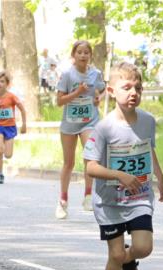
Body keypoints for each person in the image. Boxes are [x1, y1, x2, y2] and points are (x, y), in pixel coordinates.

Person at [82, 61, 163, 270]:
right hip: (110, 202)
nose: (133, 92)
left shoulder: (148, 121)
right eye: (127, 87)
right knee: (116, 255)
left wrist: (161, 180)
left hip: (139, 197)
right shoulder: (103, 128)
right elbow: (91, 167)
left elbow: (148, 149)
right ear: (111, 91)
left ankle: (130, 263)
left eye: (138, 88)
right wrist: (119, 175)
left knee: (143, 247)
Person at [55, 40, 105, 219]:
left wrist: (98, 97)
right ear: (73, 56)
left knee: (90, 156)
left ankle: (88, 195)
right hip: (70, 123)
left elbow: (101, 89)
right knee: (69, 163)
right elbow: (59, 101)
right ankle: (63, 200)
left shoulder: (95, 73)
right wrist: (77, 93)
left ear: (90, 55)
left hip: (89, 121)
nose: (83, 55)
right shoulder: (68, 75)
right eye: (79, 52)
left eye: (86, 52)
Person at [0, 70, 27, 184]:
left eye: (2, 81)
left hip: (10, 127)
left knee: (8, 155)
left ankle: (5, 154)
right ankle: (0, 174)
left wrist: (24, 124)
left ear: (7, 83)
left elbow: (22, 109)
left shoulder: (12, 97)